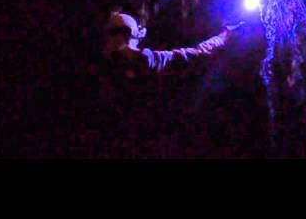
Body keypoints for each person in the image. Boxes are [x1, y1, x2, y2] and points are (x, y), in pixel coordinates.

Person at [90, 12, 243, 158]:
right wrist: (225, 36)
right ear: (135, 35)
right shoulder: (145, 61)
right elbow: (196, 54)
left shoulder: (96, 71)